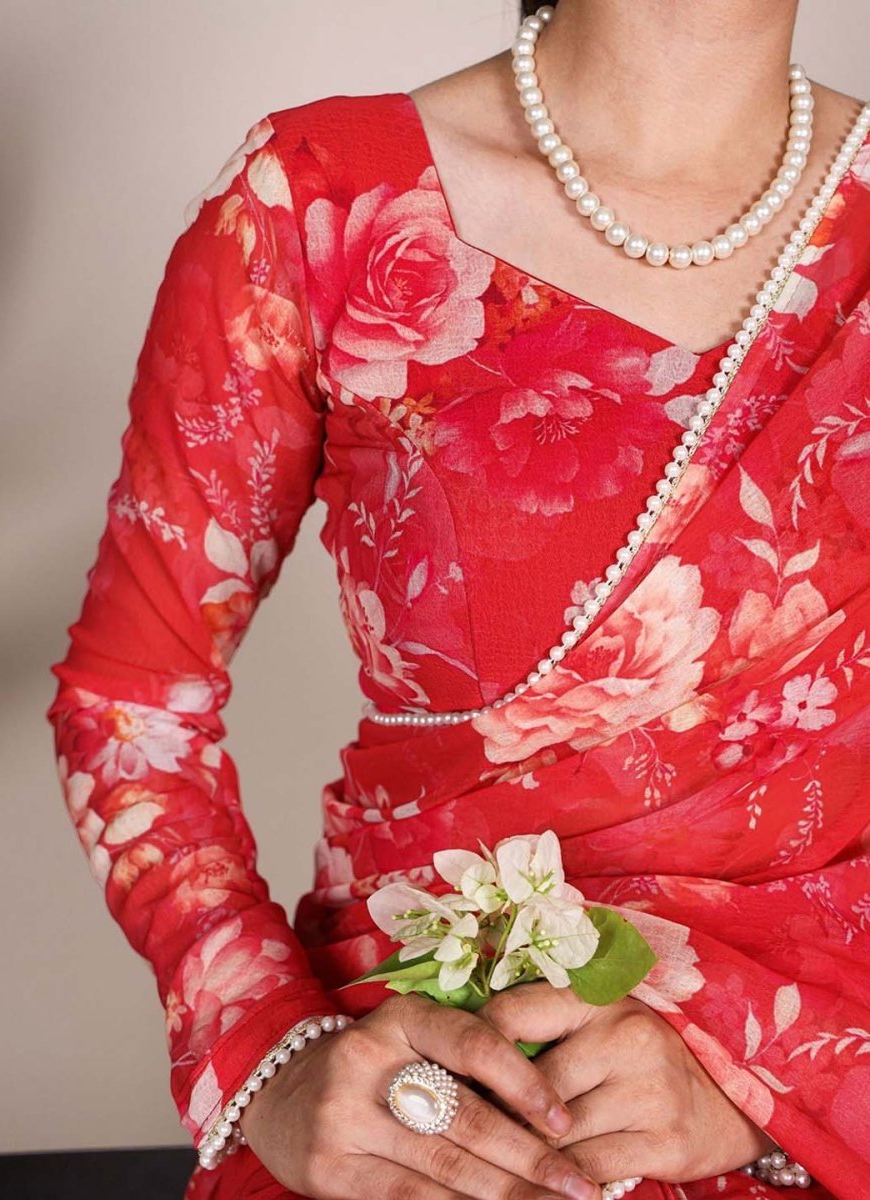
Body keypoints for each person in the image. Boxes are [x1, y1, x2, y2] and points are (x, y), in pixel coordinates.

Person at [45, 1, 870, 1197]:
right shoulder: (320, 201)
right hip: (417, 1115)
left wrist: (773, 1079)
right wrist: (270, 1055)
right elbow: (131, 702)